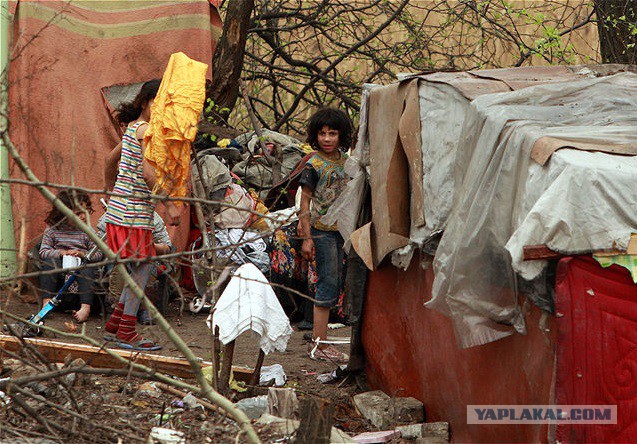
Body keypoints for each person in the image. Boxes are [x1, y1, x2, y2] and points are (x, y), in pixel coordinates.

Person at [102, 79, 181, 351]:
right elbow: (148, 175)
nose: (160, 108)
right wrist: (169, 206)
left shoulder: (133, 129)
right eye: (156, 102)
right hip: (132, 215)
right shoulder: (146, 131)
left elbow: (109, 160)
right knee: (143, 267)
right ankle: (126, 332)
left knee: (140, 267)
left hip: (122, 212)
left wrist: (112, 189)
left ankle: (115, 325)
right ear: (144, 102)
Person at [297, 107, 353, 364]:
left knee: (341, 282)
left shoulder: (348, 162)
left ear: (342, 136)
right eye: (322, 133)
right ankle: (319, 344)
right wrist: (307, 237)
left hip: (345, 230)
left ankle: (324, 341)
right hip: (322, 232)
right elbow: (305, 202)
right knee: (327, 283)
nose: (327, 138)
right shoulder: (313, 164)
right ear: (315, 136)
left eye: (332, 133)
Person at [39, 189, 103, 323]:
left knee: (87, 265)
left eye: (85, 212)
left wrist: (83, 255)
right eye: (78, 213)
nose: (83, 217)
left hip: (81, 274)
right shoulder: (52, 230)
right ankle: (46, 304)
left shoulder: (87, 232)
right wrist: (62, 253)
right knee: (50, 261)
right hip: (60, 273)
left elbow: (98, 253)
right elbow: (43, 252)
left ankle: (85, 308)